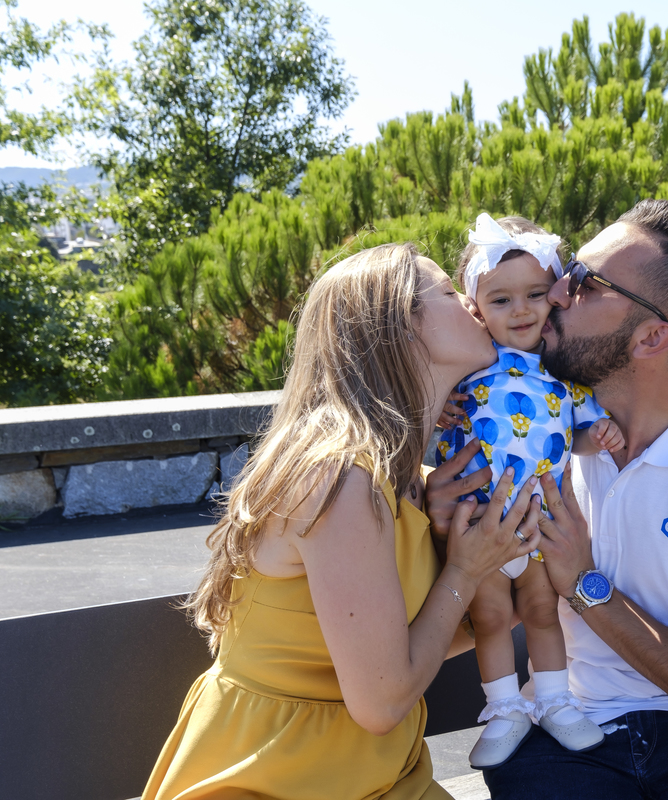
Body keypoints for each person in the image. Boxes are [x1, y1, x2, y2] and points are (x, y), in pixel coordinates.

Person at [426, 200, 668, 798]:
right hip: (560, 731)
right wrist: (439, 517)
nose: (554, 291)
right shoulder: (526, 434)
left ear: (653, 336)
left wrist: (584, 583)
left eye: (584, 283)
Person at [143, 243, 544, 800]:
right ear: (402, 331)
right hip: (278, 780)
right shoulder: (340, 479)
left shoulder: (415, 480)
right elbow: (380, 702)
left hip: (380, 774)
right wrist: (463, 572)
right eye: (451, 294)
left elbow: (418, 638)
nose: (477, 306)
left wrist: (478, 559)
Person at [436, 214, 622, 768]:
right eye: (501, 301)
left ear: (555, 296)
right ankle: (504, 708)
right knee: (490, 617)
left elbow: (577, 436)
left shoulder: (565, 374)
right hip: (482, 528)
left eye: (536, 294)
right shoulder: (466, 367)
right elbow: (428, 419)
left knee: (544, 610)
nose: (520, 311)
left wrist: (597, 435)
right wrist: (435, 409)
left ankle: (555, 702)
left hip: (539, 521)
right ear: (474, 308)